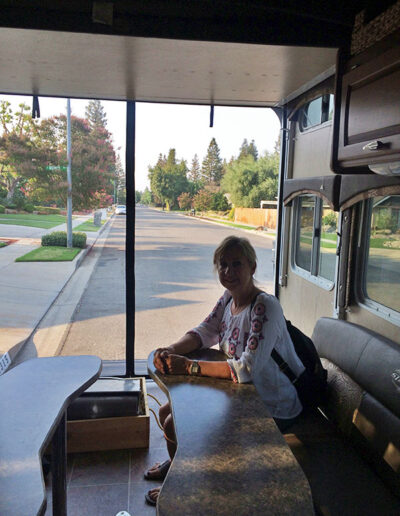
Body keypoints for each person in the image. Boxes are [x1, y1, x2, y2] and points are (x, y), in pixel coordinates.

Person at [144, 235, 305, 506]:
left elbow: (246, 369)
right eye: (223, 265)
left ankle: (184, 487)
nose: (228, 272)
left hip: (271, 406)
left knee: (179, 424)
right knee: (165, 411)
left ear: (252, 267)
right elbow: (205, 331)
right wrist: (171, 350)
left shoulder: (264, 306)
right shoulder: (228, 299)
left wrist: (190, 366)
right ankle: (176, 469)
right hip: (243, 396)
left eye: (236, 264)